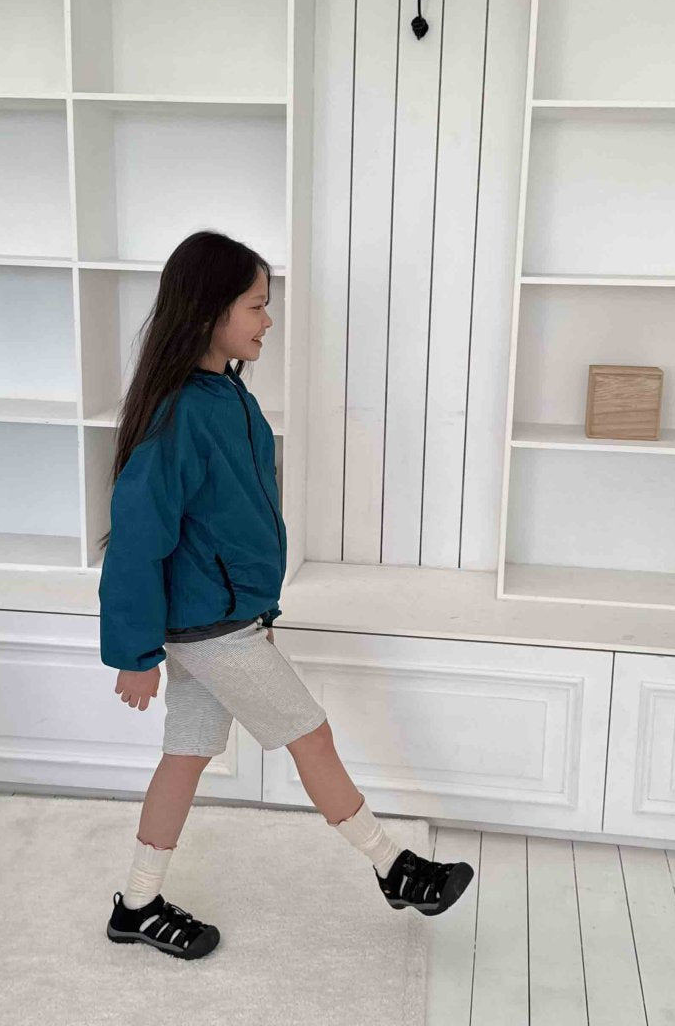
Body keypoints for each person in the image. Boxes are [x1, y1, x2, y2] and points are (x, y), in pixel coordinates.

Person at [98, 230, 474, 960]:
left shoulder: (226, 395)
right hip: (210, 630)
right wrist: (132, 653)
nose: (267, 321)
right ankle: (393, 868)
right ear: (209, 309)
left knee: (186, 756)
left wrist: (254, 611)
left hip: (222, 620)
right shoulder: (181, 414)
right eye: (256, 305)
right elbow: (138, 539)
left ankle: (137, 904)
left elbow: (229, 525)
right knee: (311, 735)